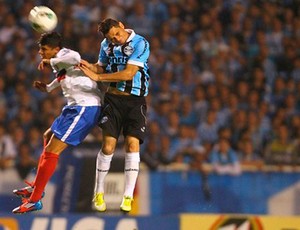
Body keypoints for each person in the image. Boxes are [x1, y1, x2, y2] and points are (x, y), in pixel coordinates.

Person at [12, 31, 102, 214]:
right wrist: (48, 88)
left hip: (86, 108)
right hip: (73, 107)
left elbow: (74, 58)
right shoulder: (60, 62)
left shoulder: (66, 54)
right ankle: (37, 186)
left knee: (52, 150)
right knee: (47, 136)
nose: (40, 53)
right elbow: (65, 74)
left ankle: (35, 199)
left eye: (44, 49)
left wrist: (49, 61)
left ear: (56, 49)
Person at [79, 18, 150, 212]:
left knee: (132, 144)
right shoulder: (106, 45)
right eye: (111, 38)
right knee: (108, 147)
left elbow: (128, 74)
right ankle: (99, 191)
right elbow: (101, 67)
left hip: (135, 101)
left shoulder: (140, 43)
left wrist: (99, 77)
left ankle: (127, 196)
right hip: (113, 100)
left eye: (117, 34)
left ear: (121, 25)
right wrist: (87, 66)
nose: (116, 39)